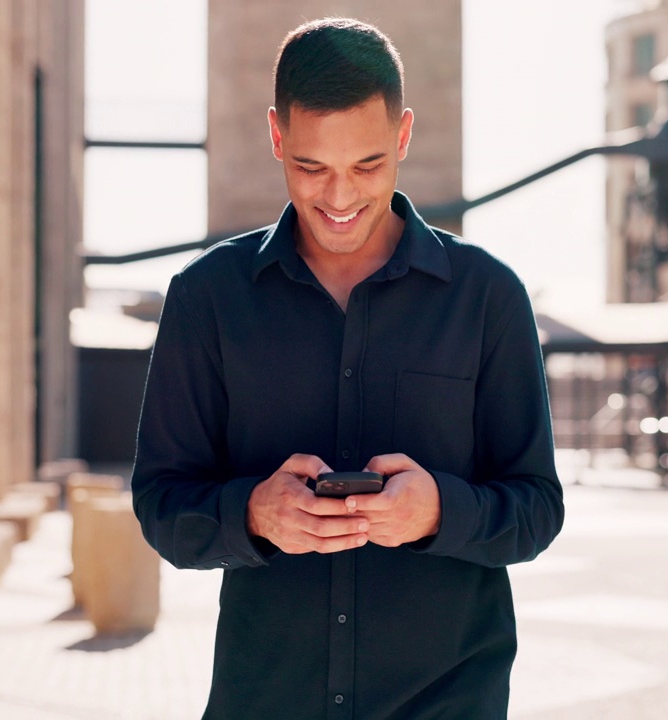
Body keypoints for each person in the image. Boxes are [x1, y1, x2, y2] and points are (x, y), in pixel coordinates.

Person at [131, 17, 564, 719]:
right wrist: (252, 513)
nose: (339, 199)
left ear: (403, 136)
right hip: (265, 700)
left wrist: (439, 511)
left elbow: (538, 509)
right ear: (277, 136)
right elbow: (161, 506)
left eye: (366, 165)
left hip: (447, 700)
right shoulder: (207, 298)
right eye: (311, 167)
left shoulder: (487, 297)